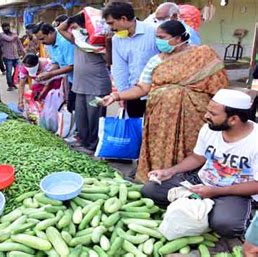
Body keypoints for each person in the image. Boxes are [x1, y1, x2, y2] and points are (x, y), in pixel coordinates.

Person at [102, 20, 228, 182]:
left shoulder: (203, 55)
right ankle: (158, 179)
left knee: (192, 148)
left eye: (162, 37)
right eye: (156, 37)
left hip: (194, 116)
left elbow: (219, 86)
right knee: (160, 149)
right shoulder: (155, 60)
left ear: (178, 38)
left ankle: (192, 181)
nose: (158, 41)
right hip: (161, 121)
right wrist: (116, 96)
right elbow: (142, 88)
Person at [141, 89, 257, 238]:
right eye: (208, 111)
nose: (206, 116)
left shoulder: (255, 141)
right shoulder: (210, 129)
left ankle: (208, 209)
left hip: (235, 192)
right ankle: (205, 209)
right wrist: (170, 171)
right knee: (150, 190)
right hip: (201, 182)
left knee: (227, 225)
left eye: (213, 114)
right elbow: (198, 158)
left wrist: (215, 192)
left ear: (233, 119)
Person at [58, 14, 112, 152]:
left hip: (97, 85)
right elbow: (60, 29)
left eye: (75, 27)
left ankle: (94, 145)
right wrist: (75, 17)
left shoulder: (98, 41)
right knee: (81, 117)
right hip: (79, 85)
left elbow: (109, 60)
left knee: (94, 117)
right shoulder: (77, 40)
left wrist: (107, 43)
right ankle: (84, 141)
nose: (73, 30)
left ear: (86, 27)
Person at [103, 1, 159, 118]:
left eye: (112, 23)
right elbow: (120, 69)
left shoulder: (154, 32)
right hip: (134, 95)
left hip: (156, 94)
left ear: (123, 19)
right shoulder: (117, 40)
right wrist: (122, 95)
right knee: (136, 132)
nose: (111, 28)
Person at [32, 22, 75, 112]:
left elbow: (72, 66)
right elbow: (56, 63)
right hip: (71, 79)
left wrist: (51, 74)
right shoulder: (49, 44)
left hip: (82, 79)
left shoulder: (65, 42)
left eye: (42, 39)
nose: (41, 42)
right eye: (39, 40)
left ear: (51, 33)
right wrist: (46, 73)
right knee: (72, 109)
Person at [0, 23, 25, 91]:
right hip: (7, 56)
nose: (6, 28)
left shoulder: (14, 34)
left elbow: (19, 43)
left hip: (16, 56)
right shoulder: (2, 35)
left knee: (18, 70)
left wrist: (23, 52)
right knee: (9, 71)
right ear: (2, 28)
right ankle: (10, 85)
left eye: (7, 26)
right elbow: (9, 39)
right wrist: (16, 36)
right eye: (4, 27)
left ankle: (13, 82)